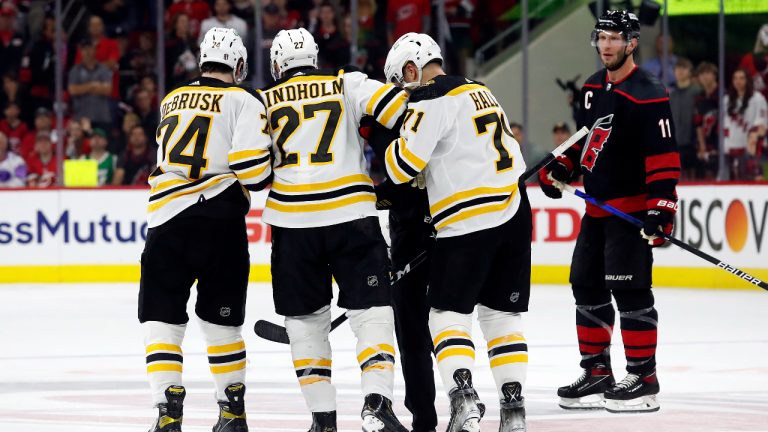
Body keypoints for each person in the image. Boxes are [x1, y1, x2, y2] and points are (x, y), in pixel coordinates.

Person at [257, 28, 409, 432]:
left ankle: (322, 420)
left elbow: (252, 168)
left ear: (276, 66)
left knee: (305, 323)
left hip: (292, 225)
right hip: (351, 216)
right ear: (315, 57)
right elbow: (400, 108)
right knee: (372, 313)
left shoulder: (263, 100)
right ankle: (376, 403)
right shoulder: (346, 81)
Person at [378, 32, 531, 432]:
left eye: (401, 81)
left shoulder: (428, 99)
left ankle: (464, 401)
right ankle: (513, 412)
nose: (403, 91)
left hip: (467, 218)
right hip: (514, 210)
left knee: (447, 314)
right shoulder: (481, 89)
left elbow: (401, 168)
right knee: (502, 317)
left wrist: (395, 147)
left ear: (412, 69)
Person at [539, 10, 680, 414]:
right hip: (597, 212)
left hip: (630, 215)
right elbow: (586, 141)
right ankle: (598, 372)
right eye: (601, 37)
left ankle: (643, 377)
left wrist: (662, 208)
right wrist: (562, 167)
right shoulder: (590, 87)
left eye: (614, 38)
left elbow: (664, 157)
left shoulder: (648, 92)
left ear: (632, 43)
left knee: (631, 290)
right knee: (585, 285)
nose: (605, 45)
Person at [138, 27, 272, 432]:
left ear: (202, 61)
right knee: (222, 323)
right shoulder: (245, 100)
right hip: (222, 223)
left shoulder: (171, 99)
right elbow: (253, 170)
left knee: (162, 319)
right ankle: (232, 412)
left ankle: (167, 411)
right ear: (240, 65)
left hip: (167, 221)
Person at [723, 68, 768, 180]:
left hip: (751, 150)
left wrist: (753, 144)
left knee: (754, 179)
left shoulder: (757, 98)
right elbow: (725, 125)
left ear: (748, 80)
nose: (738, 81)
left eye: (741, 78)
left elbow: (762, 125)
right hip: (731, 148)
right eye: (735, 78)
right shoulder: (727, 99)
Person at [669, 57, 701, 179]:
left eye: (684, 68)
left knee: (694, 177)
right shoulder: (671, 94)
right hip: (676, 143)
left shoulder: (697, 92)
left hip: (693, 143)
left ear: (690, 71)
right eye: (677, 68)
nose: (680, 71)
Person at [694, 62, 719, 179]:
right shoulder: (699, 97)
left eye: (707, 73)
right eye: (702, 74)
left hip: (720, 143)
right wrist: (702, 146)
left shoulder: (722, 94)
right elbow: (698, 123)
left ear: (714, 75)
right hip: (706, 143)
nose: (704, 76)